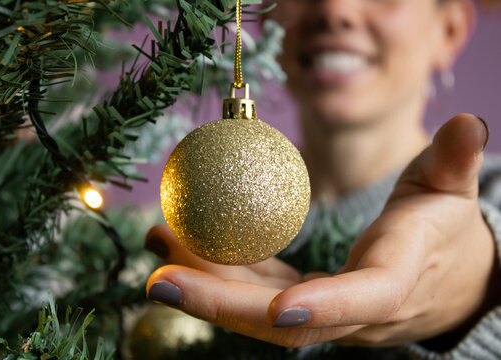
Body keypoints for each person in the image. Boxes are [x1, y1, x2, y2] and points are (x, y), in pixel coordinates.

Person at [144, 0, 501, 358]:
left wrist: (482, 290)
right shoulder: (195, 211)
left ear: (450, 29)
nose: (335, 9)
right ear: (268, 16)